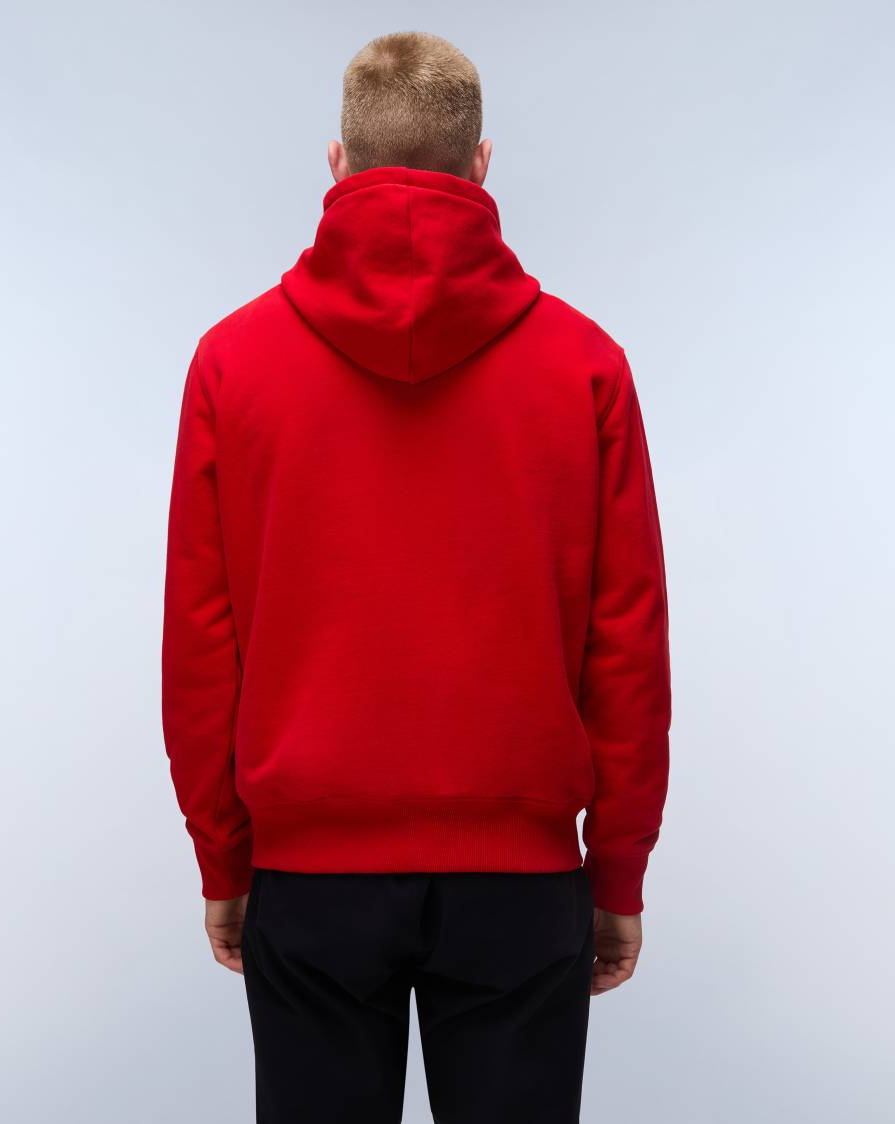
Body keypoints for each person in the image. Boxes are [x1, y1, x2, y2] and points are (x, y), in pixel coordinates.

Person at [162, 29, 671, 1124]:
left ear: (336, 161)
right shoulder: (586, 367)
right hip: (522, 884)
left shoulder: (231, 364)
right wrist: (617, 868)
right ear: (480, 165)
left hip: (309, 878)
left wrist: (224, 857)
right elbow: (625, 641)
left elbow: (201, 638)